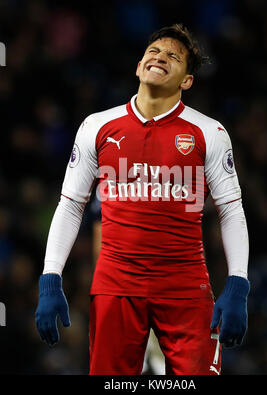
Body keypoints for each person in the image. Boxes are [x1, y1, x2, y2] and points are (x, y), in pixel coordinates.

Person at [35, 24, 250, 375]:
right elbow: (72, 204)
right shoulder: (97, 126)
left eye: (173, 56)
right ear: (138, 67)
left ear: (187, 81)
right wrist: (50, 278)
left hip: (185, 287)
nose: (160, 57)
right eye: (154, 52)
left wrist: (238, 283)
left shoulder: (209, 132)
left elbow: (231, 210)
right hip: (115, 286)